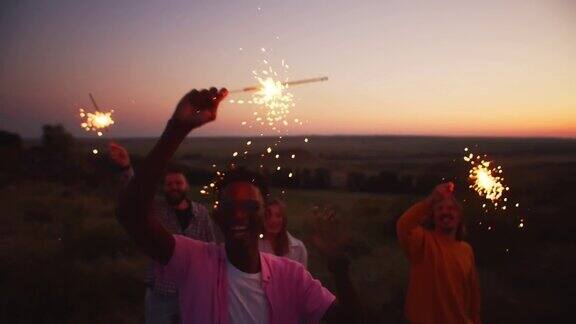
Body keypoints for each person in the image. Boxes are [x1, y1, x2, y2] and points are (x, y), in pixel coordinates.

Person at [116, 87, 359, 324]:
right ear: (217, 214)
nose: (239, 214)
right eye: (230, 206)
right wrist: (177, 128)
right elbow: (131, 215)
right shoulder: (195, 261)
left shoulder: (291, 276)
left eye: (251, 207)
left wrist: (339, 266)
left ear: (265, 215)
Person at [110, 142, 218, 324]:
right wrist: (126, 167)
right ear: (164, 187)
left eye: (178, 183)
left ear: (187, 186)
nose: (174, 187)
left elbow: (211, 249)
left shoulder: (201, 212)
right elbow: (134, 196)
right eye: (169, 184)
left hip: (193, 290)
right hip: (161, 292)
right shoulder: (156, 208)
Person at [396, 182, 481, 324]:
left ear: (459, 216)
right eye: (439, 208)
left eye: (451, 209)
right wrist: (432, 199)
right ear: (432, 215)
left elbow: (473, 297)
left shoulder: (466, 250)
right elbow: (403, 226)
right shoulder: (422, 241)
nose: (445, 212)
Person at [259, 198, 308, 268]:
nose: (273, 220)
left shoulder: (298, 248)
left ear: (284, 219)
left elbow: (302, 277)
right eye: (268, 216)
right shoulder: (256, 246)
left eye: (278, 215)